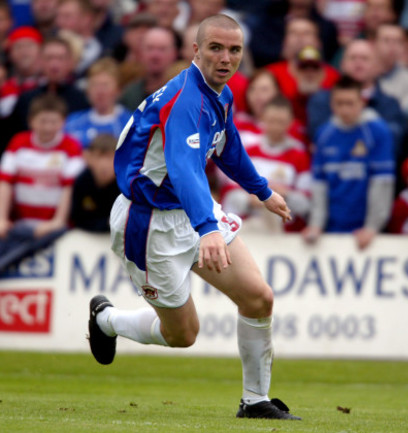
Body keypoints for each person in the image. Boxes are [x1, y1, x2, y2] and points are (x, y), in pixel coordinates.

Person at [88, 15, 300, 421]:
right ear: (196, 51)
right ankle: (107, 320)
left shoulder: (219, 93)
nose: (226, 58)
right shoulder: (186, 100)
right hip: (149, 223)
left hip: (191, 209)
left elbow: (227, 145)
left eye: (234, 50)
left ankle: (255, 400)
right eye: (216, 48)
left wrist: (262, 190)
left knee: (259, 298)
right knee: (183, 335)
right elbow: (184, 167)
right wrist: (208, 229)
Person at [302, 76, 395, 250]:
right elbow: (319, 185)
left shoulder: (377, 132)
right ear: (332, 105)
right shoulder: (324, 134)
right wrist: (316, 224)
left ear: (362, 103)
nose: (345, 109)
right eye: (340, 103)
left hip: (366, 233)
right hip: (331, 230)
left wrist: (372, 227)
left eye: (350, 103)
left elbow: (382, 183)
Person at [0, 94, 84, 239]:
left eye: (53, 122)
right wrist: (0, 219)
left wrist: (58, 221)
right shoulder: (18, 143)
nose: (47, 127)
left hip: (54, 229)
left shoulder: (71, 147)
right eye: (42, 121)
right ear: (31, 121)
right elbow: (4, 183)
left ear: (63, 122)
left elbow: (70, 188)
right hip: (19, 225)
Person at [221, 96, 311, 233]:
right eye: (271, 121)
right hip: (249, 229)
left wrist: (285, 195)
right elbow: (229, 194)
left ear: (291, 122)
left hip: (285, 233)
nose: (275, 126)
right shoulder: (247, 152)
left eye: (281, 122)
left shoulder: (299, 155)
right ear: (263, 119)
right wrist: (251, 200)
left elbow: (306, 204)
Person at [65, 57, 131, 148]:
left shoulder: (130, 124)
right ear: (87, 90)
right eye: (95, 85)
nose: (100, 91)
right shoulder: (72, 122)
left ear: (118, 90)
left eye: (105, 85)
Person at [70, 133, 120, 232]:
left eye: (109, 157)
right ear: (88, 158)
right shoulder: (82, 181)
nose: (104, 164)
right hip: (86, 235)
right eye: (98, 157)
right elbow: (76, 218)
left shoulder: (126, 186)